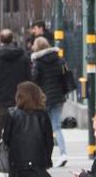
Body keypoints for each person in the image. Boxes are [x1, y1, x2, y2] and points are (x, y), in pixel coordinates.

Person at [4, 81, 54, 177]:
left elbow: (6, 139)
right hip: (36, 158)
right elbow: (49, 140)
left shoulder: (12, 114)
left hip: (17, 159)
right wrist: (47, 158)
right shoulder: (43, 115)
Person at [0, 29, 31, 153]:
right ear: (12, 39)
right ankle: (19, 156)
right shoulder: (22, 56)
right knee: (18, 130)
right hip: (19, 100)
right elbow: (28, 77)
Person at [29, 37, 74, 166]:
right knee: (56, 127)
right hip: (58, 97)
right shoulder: (58, 59)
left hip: (44, 99)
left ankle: (43, 156)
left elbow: (34, 80)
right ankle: (63, 154)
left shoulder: (37, 62)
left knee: (43, 128)